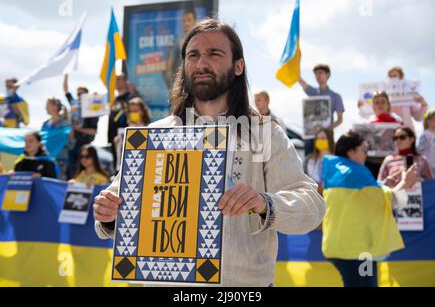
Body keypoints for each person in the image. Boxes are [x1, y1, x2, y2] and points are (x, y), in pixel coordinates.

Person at [93, 18, 326, 286]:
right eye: (193, 55)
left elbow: (312, 208)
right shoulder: (156, 135)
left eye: (214, 53)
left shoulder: (265, 134)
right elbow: (116, 206)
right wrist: (109, 213)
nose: (202, 63)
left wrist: (264, 203)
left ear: (238, 66)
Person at [322, 130, 418, 287]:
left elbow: (361, 196)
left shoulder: (335, 169)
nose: (366, 154)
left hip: (339, 248)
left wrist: (382, 184)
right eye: (363, 150)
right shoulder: (356, 172)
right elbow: (386, 200)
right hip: (359, 252)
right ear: (351, 151)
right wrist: (405, 183)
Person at [298, 64, 345, 155]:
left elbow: (340, 120)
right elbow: (299, 80)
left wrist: (326, 130)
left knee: (326, 162)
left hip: (326, 137)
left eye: (320, 73)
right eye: (315, 74)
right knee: (310, 161)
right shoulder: (313, 92)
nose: (317, 76)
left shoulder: (336, 97)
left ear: (327, 74)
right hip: (311, 136)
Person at [63, 75, 99, 179]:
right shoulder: (74, 105)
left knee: (80, 169)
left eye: (82, 93)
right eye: (78, 93)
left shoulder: (92, 110)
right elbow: (66, 91)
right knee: (70, 170)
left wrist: (78, 129)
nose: (80, 96)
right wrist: (66, 73)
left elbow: (94, 131)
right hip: (73, 142)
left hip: (84, 144)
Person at [42, 97, 71, 180]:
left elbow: (70, 142)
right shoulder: (45, 124)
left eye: (47, 105)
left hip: (61, 159)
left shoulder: (66, 123)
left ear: (55, 107)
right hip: (46, 158)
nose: (45, 107)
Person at [303, 128, 334, 193]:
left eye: (322, 138)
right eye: (317, 139)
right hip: (314, 196)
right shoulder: (308, 159)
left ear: (329, 139)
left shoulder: (336, 159)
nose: (319, 141)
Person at [418, 109, 435, 174]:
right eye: (433, 119)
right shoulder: (425, 134)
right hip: (429, 164)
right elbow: (421, 151)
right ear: (428, 121)